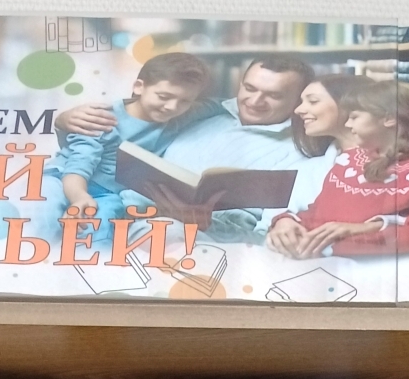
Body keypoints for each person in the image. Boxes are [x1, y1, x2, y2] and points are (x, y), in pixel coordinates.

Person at [56, 53, 315, 241]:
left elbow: (268, 233)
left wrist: (206, 224)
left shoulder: (300, 151)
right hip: (118, 205)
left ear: (298, 101)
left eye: (274, 95)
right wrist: (64, 122)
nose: (255, 101)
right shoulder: (199, 113)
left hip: (186, 234)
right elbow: (138, 117)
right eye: (249, 88)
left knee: (163, 235)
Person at [45, 51, 214, 252]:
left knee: (100, 227)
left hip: (109, 193)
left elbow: (221, 105)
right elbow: (78, 166)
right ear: (138, 87)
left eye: (185, 101)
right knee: (43, 211)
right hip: (66, 178)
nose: (172, 107)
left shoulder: (180, 117)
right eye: (164, 96)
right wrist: (79, 196)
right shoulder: (102, 119)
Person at [267, 80, 409, 258]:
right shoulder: (347, 163)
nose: (347, 124)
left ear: (389, 119)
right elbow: (317, 214)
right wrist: (287, 221)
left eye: (354, 117)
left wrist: (351, 238)